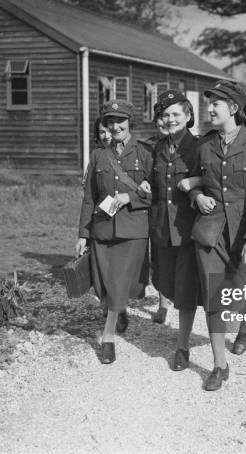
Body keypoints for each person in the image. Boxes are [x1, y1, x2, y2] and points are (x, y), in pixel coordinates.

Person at [189, 80, 246, 390]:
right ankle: (219, 365)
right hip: (210, 231)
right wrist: (196, 195)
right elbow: (191, 180)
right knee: (213, 297)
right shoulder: (204, 144)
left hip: (245, 231)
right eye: (208, 103)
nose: (209, 108)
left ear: (233, 109)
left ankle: (245, 328)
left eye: (215, 104)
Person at [76, 100, 153, 363]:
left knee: (118, 282)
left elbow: (158, 195)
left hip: (132, 231)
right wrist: (83, 234)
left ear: (130, 122)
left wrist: (131, 198)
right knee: (103, 284)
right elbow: (89, 197)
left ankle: (107, 338)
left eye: (120, 121)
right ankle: (118, 311)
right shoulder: (99, 155)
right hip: (102, 228)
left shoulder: (145, 153)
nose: (115, 126)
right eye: (110, 121)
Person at [144, 89, 200, 371]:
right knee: (163, 282)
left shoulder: (200, 147)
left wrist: (197, 180)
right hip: (161, 228)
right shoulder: (156, 147)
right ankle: (178, 331)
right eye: (165, 115)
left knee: (186, 290)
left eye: (176, 114)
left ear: (188, 116)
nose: (170, 119)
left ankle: (182, 346)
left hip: (187, 229)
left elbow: (214, 178)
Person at [141, 104, 174, 324]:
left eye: (168, 117)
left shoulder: (189, 145)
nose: (164, 122)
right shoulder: (146, 147)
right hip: (153, 210)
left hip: (178, 212)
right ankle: (163, 302)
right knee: (159, 258)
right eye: (160, 118)